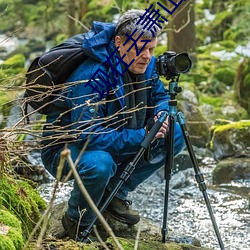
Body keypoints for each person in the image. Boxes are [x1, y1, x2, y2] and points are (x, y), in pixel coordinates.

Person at [41, 9, 185, 241]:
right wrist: (142, 135)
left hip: (117, 136)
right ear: (119, 43)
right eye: (140, 48)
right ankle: (76, 221)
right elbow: (87, 135)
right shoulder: (93, 77)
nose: (147, 56)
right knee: (100, 164)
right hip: (67, 150)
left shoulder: (145, 64)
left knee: (175, 132)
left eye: (152, 49)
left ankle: (115, 193)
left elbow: (159, 96)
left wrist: (161, 114)